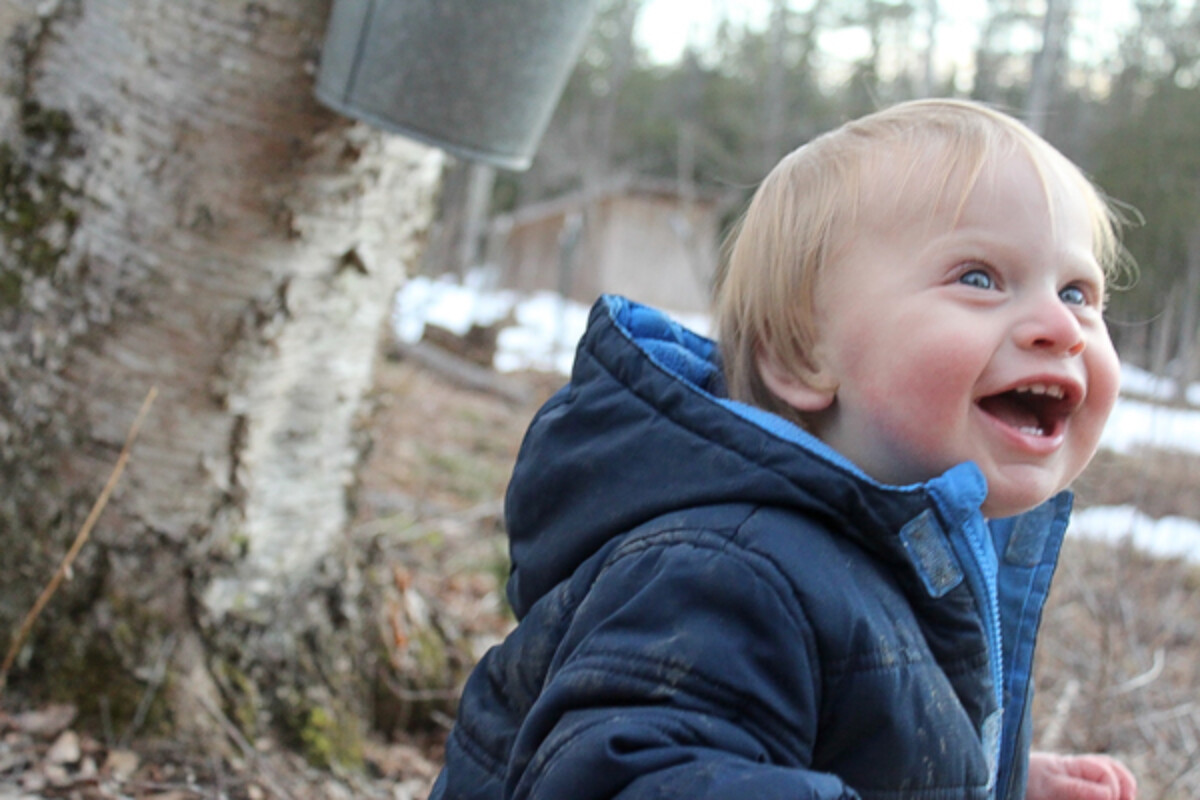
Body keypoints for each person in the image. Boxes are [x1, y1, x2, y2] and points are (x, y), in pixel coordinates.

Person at [430, 99, 1138, 800]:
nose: (1061, 326)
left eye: (1078, 292)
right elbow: (631, 775)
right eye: (979, 279)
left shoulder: (914, 562)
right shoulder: (727, 570)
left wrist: (994, 781)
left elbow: (852, 744)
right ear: (802, 359)